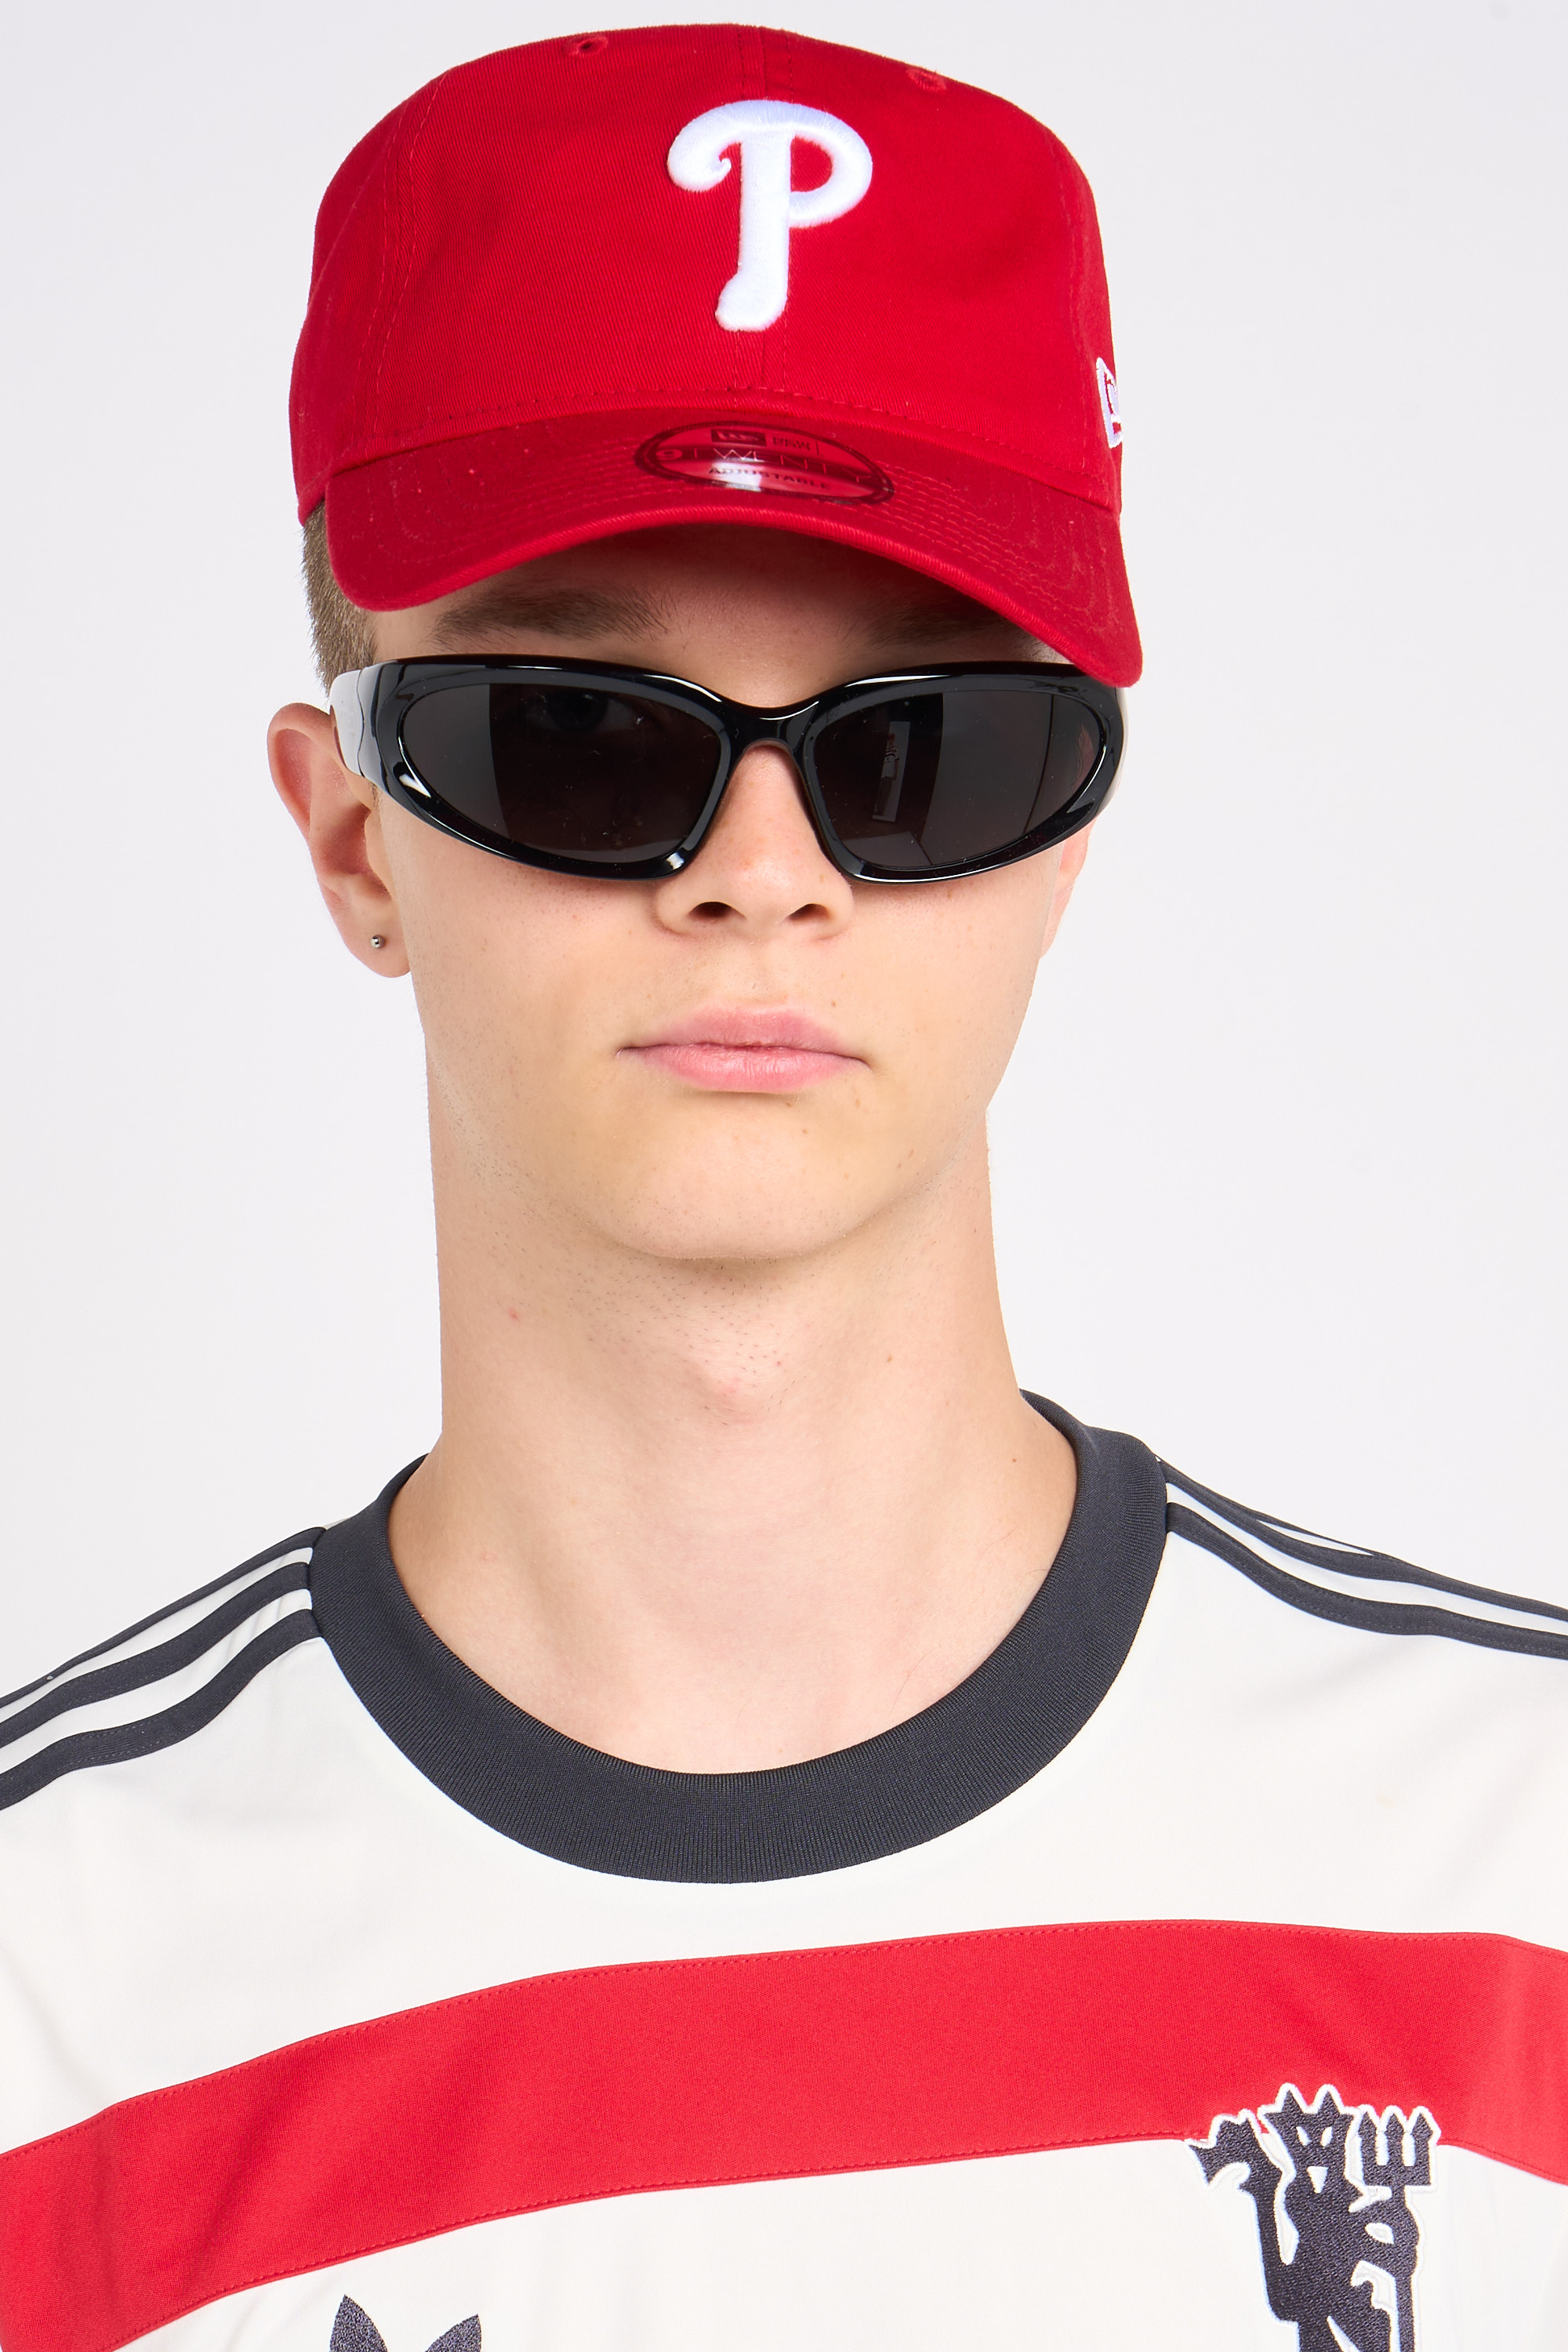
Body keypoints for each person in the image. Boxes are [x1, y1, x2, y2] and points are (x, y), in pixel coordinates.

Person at [2, 24, 1564, 2352]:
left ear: (1070, 835)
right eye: (573, 735)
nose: (762, 872)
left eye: (924, 751)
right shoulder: (50, 1992)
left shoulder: (1523, 1879)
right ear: (350, 838)